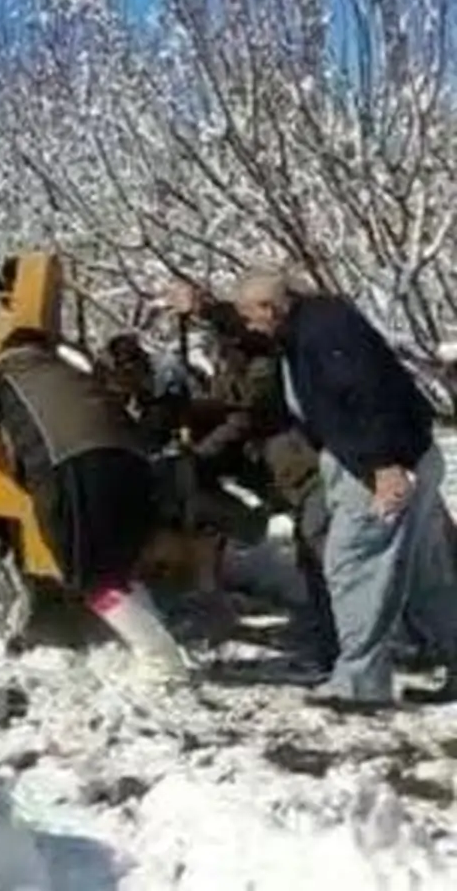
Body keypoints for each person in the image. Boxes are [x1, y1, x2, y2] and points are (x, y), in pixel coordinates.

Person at [215, 264, 457, 708]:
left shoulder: (323, 334)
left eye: (251, 316)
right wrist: (204, 308)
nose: (249, 326)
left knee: (353, 565)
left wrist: (384, 466)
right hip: (409, 456)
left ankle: (360, 683)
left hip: (378, 465)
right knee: (425, 573)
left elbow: (368, 395)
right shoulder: (313, 322)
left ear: (272, 307)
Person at [0, 323, 189, 682]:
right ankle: (157, 647)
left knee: (89, 577)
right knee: (117, 568)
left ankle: (162, 664)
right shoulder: (68, 374)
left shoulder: (8, 363)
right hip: (133, 465)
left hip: (77, 464)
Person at [166, 282, 339, 679]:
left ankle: (336, 651)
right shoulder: (250, 356)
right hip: (293, 471)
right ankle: (335, 641)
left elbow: (248, 414)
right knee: (315, 555)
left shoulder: (265, 358)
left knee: (322, 557)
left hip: (306, 470)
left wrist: (201, 454)